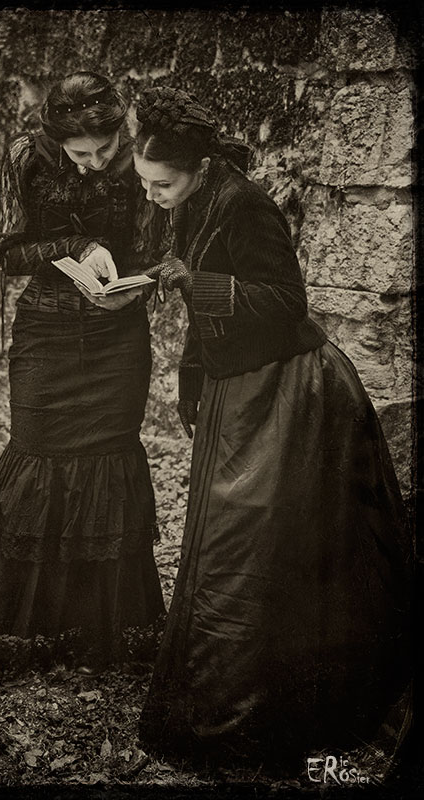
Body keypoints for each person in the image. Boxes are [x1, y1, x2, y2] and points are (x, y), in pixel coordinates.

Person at [133, 87, 413, 771]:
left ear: (200, 167)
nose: (152, 196)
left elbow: (287, 301)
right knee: (229, 545)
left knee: (258, 545)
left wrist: (193, 283)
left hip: (288, 389)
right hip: (237, 386)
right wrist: (192, 380)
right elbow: (203, 302)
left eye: (161, 184)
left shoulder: (246, 204)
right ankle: (219, 695)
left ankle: (265, 710)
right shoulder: (192, 202)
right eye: (144, 183)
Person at [0, 72, 166, 677]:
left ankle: (98, 626)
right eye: (80, 154)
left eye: (106, 149)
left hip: (117, 337)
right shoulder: (26, 156)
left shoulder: (141, 156)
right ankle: (16, 624)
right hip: (45, 332)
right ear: (56, 139)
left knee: (110, 459)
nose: (95, 163)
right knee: (36, 453)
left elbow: (161, 246)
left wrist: (140, 284)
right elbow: (3, 250)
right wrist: (72, 246)